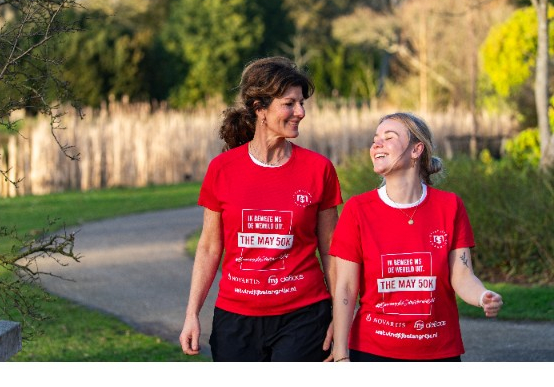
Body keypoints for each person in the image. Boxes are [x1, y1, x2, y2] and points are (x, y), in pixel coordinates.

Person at [179, 56, 343, 362]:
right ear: (260, 109)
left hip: (304, 317)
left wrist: (341, 317)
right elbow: (210, 247)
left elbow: (331, 249)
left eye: (302, 103)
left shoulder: (319, 169)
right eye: (289, 104)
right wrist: (192, 313)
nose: (300, 112)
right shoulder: (222, 169)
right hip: (236, 320)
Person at [330, 112, 503, 362]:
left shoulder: (450, 206)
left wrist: (482, 296)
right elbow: (346, 287)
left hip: (439, 350)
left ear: (416, 149)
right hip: (373, 351)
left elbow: (462, 276)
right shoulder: (357, 209)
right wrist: (340, 354)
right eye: (375, 139)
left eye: (389, 137)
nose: (377, 144)